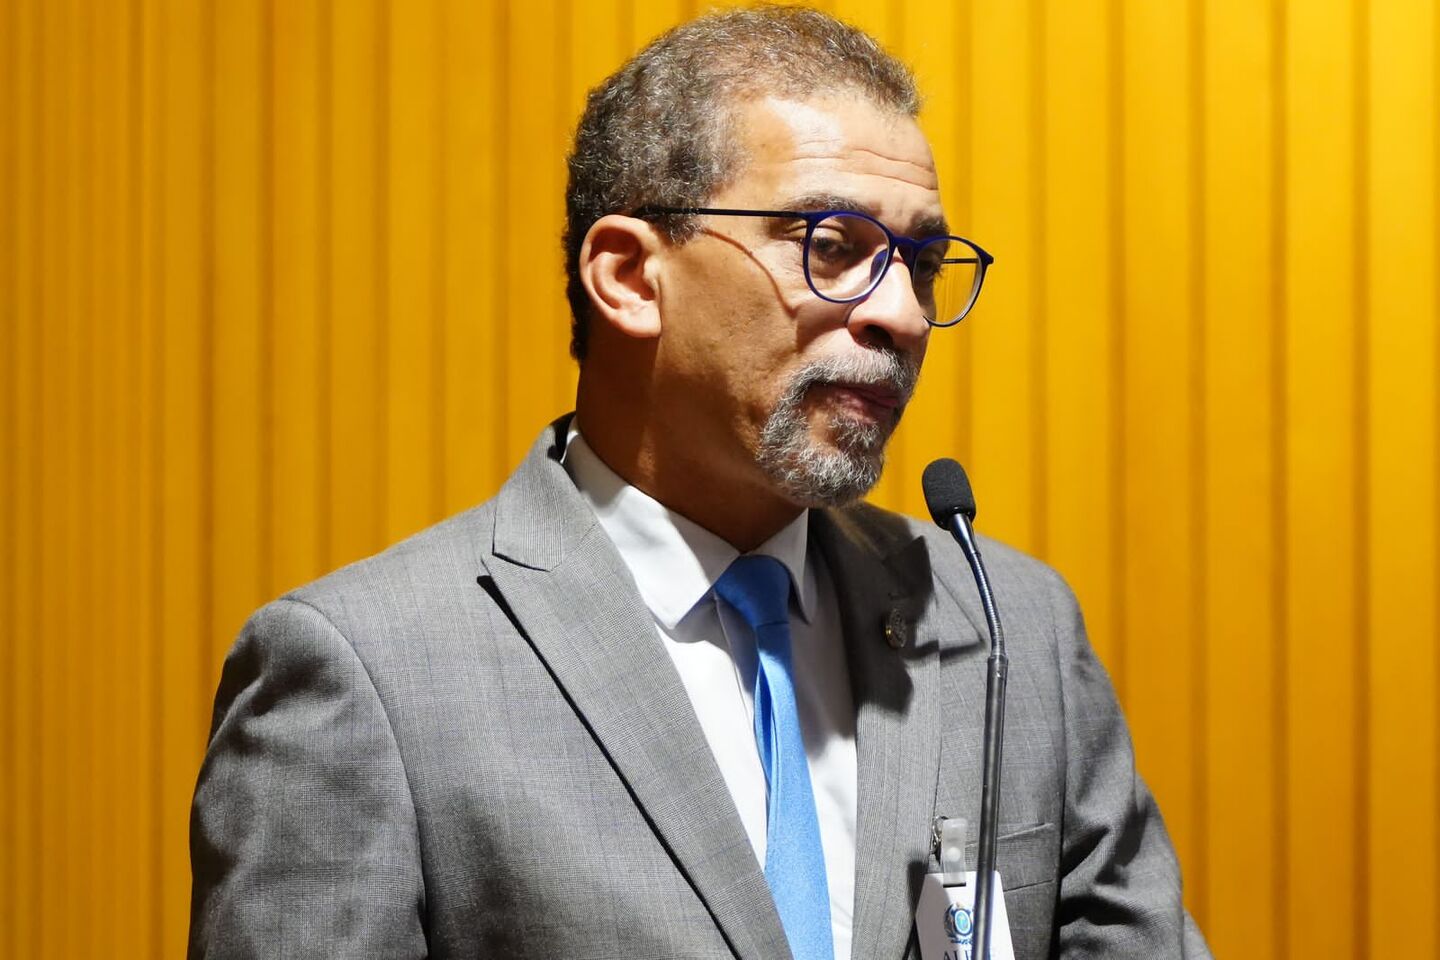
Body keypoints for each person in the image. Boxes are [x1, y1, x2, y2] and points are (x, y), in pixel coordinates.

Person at [189, 7, 1210, 959]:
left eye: (923, 263)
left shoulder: (1008, 630)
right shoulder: (368, 673)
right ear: (630, 277)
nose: (901, 314)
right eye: (833, 247)